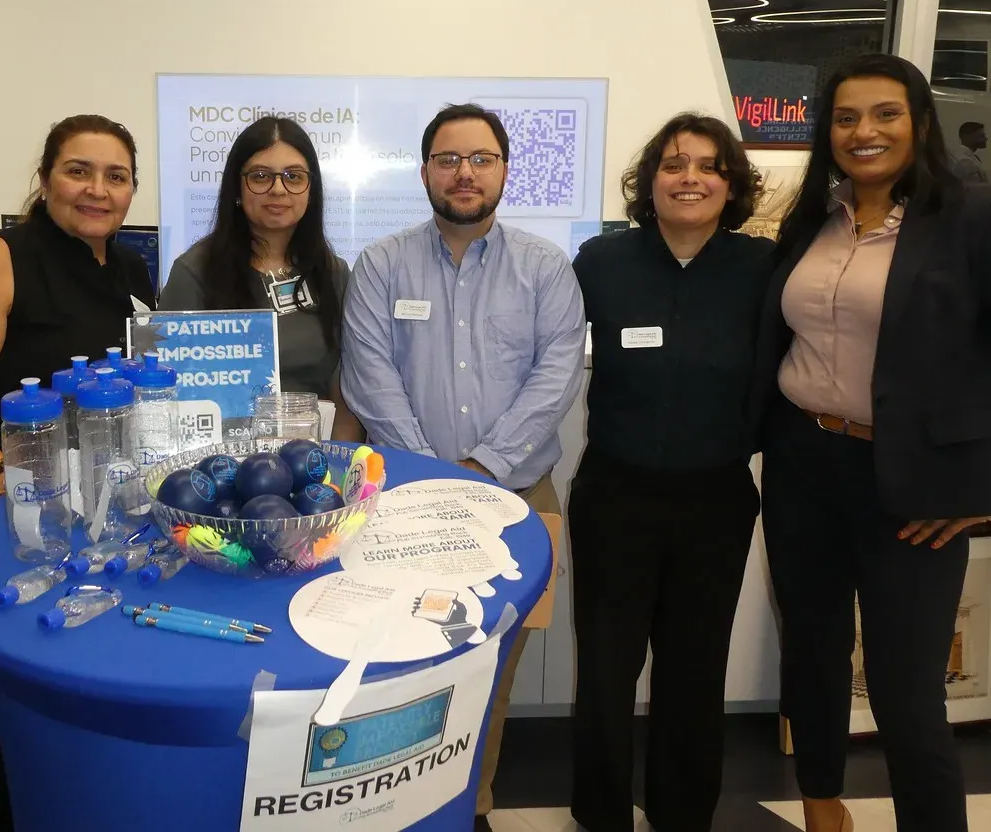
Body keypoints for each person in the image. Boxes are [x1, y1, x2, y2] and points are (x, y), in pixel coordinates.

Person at [749, 53, 991, 832]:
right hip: (803, 465)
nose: (865, 132)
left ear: (919, 122)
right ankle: (822, 809)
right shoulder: (813, 220)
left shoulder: (970, 219)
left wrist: (984, 489)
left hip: (914, 484)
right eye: (847, 117)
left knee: (905, 690)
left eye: (886, 113)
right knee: (813, 655)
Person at [340, 103, 586, 831]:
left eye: (481, 159)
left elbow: (556, 377)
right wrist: (435, 479)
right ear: (424, 172)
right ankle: (392, 811)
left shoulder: (545, 268)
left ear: (505, 170)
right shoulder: (380, 264)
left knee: (492, 665)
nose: (464, 173)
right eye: (448, 159)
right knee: (396, 663)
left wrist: (483, 467)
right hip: (399, 501)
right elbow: (370, 376)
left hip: (521, 498)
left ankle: (468, 808)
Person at [568, 114, 773, 832]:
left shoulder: (763, 268)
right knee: (606, 668)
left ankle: (683, 814)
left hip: (715, 499)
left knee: (695, 668)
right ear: (650, 180)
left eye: (710, 166)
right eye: (675, 164)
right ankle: (600, 813)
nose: (691, 178)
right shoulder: (600, 262)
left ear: (731, 185)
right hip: (615, 494)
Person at [0, 113, 154, 830]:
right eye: (79, 171)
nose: (97, 190)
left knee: (94, 693)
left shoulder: (130, 269)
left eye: (116, 176)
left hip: (103, 517)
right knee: (14, 715)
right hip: (13, 519)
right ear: (45, 179)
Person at [158, 117, 362, 442]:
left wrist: (338, 461)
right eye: (261, 176)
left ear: (311, 191)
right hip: (218, 460)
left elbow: (346, 395)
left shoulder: (334, 274)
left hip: (312, 456)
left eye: (293, 176)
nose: (278, 189)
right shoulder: (194, 272)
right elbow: (164, 395)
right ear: (237, 189)